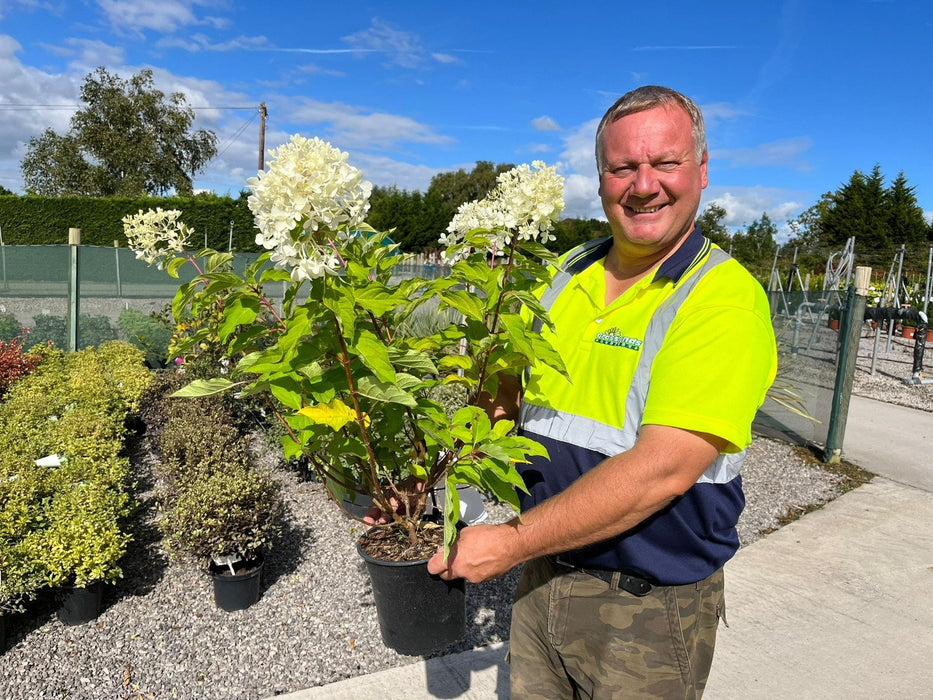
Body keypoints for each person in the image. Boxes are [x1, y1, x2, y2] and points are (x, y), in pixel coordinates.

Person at [426, 85, 777, 699]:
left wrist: (510, 542)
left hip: (644, 609)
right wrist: (425, 486)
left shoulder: (721, 299)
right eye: (623, 167)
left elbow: (661, 471)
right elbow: (506, 402)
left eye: (665, 163)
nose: (644, 184)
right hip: (541, 578)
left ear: (700, 170)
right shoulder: (567, 273)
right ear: (600, 178)